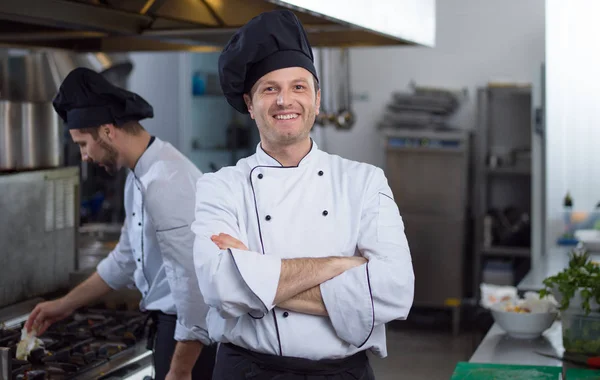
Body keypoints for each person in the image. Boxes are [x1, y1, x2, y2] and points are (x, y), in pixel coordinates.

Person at [191, 9, 415, 380]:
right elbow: (218, 288)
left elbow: (394, 293)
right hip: (248, 372)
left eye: (298, 86)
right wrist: (339, 265)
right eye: (269, 89)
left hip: (342, 374)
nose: (285, 100)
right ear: (249, 103)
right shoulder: (220, 186)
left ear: (317, 98)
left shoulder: (363, 181)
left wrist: (254, 279)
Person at [24, 67, 216, 380]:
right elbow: (125, 258)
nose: (84, 156)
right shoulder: (139, 175)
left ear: (108, 131)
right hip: (171, 328)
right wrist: (65, 304)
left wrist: (181, 369)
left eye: (83, 144)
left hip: (190, 340)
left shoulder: (166, 181)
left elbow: (195, 285)